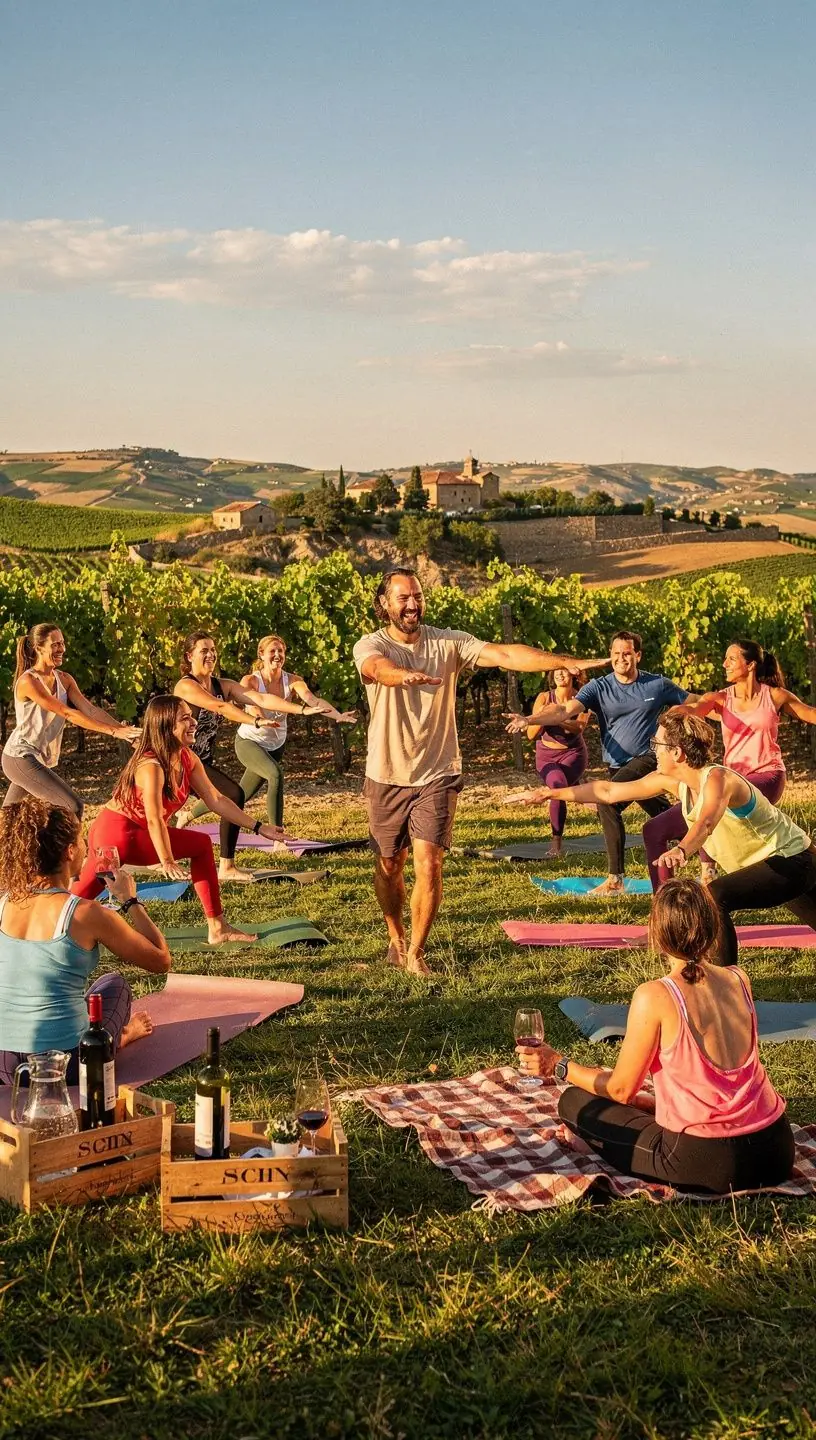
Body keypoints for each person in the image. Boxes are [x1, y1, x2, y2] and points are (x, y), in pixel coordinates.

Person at [353, 567, 604, 975]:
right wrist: (403, 677)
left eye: (417, 595)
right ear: (385, 604)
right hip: (386, 771)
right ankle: (395, 937)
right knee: (388, 865)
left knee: (429, 862)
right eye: (403, 598)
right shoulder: (371, 643)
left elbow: (505, 654)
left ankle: (416, 951)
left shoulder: (448, 641)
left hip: (438, 770)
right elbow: (376, 669)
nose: (413, 604)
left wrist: (563, 661)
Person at [515, 877, 794, 1194]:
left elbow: (621, 1090)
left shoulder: (656, 995)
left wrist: (559, 1065)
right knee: (638, 1103)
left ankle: (596, 1146)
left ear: (657, 934)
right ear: (713, 926)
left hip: (707, 1163)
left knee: (574, 1101)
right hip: (776, 1150)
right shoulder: (737, 978)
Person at [507, 709, 816, 967]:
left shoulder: (718, 779)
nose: (652, 749)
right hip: (775, 865)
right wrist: (549, 792)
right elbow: (608, 790)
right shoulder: (672, 780)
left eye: (657, 744)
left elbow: (706, 821)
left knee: (712, 896)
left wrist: (682, 849)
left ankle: (728, 988)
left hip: (791, 860)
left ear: (677, 752)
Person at [72, 695, 286, 945]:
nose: (193, 722)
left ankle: (218, 928)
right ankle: (39, 927)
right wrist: (167, 860)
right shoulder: (150, 765)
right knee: (77, 899)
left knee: (200, 844)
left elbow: (216, 800)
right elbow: (154, 818)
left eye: (190, 716)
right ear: (166, 727)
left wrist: (260, 827)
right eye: (185, 719)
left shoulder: (187, 758)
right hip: (116, 833)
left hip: (139, 832)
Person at [0, 797, 170, 1084]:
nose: (86, 850)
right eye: (82, 842)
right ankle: (122, 1036)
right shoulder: (87, 913)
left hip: (3, 1064)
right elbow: (160, 960)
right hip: (65, 1065)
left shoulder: (4, 903)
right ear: (69, 852)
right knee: (117, 985)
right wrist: (130, 900)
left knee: (87, 992)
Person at [506, 630, 689, 894]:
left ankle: (615, 879)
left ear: (637, 655)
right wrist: (530, 719)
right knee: (663, 816)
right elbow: (563, 710)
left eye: (627, 653)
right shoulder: (599, 687)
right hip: (617, 764)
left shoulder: (656, 685)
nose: (621, 658)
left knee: (607, 804)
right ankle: (709, 846)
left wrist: (724, 705)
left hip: (648, 758)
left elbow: (692, 702)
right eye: (615, 653)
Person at [645, 639, 816, 885]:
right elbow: (694, 708)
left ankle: (709, 871)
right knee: (654, 829)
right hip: (728, 778)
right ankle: (664, 903)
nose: (724, 664)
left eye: (732, 659)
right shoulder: (721, 699)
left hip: (767, 775)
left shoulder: (775, 696)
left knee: (714, 802)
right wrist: (675, 713)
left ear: (751, 665)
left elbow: (809, 713)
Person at [174, 632, 321, 881]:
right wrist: (254, 720)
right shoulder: (186, 685)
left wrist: (302, 710)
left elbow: (260, 697)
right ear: (189, 657)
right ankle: (213, 863)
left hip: (200, 761)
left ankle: (226, 866)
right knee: (229, 795)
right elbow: (221, 707)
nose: (210, 654)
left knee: (233, 795)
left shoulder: (223, 685)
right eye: (203, 651)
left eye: (213, 649)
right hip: (177, 760)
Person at [1, 622, 140, 818]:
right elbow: (66, 712)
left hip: (36, 757)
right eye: (55, 644)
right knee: (72, 807)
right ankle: (72, 849)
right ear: (39, 648)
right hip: (19, 756)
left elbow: (90, 710)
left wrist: (125, 732)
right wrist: (113, 732)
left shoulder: (65, 679)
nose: (62, 649)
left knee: (9, 819)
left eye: (62, 643)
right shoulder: (29, 681)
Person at [234, 634, 357, 828]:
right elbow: (251, 704)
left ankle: (189, 814)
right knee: (275, 774)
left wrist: (337, 715)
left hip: (276, 745)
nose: (277, 655)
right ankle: (278, 836)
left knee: (238, 795)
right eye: (272, 651)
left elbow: (312, 700)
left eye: (280, 651)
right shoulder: (250, 680)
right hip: (250, 741)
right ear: (261, 654)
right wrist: (261, 718)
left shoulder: (292, 680)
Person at [525, 667, 590, 857]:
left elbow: (578, 728)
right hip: (546, 756)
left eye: (565, 671)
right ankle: (556, 844)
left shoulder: (583, 697)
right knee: (557, 785)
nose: (560, 674)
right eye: (557, 672)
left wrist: (556, 718)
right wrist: (543, 717)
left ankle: (579, 789)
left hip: (574, 756)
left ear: (573, 675)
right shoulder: (544, 698)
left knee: (559, 787)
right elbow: (530, 734)